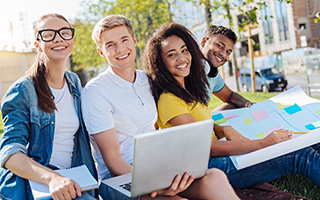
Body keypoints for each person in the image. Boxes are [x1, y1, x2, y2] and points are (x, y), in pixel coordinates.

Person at [144, 22, 320, 190]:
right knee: (298, 153)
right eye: (171, 54)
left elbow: (204, 123)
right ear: (160, 62)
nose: (181, 58)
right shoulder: (169, 100)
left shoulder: (189, 89)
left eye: (184, 50)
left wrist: (223, 129)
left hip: (218, 153)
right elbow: (208, 147)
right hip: (210, 167)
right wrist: (264, 143)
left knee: (303, 139)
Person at [81, 15, 240, 200]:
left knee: (215, 177)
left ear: (134, 41)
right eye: (110, 44)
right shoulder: (95, 92)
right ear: (101, 52)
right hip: (120, 179)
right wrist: (154, 184)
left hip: (159, 167)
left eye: (124, 40)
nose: (120, 48)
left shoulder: (148, 80)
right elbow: (113, 160)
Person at [0, 14, 97, 200]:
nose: (58, 38)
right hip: (39, 185)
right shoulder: (23, 90)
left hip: (73, 179)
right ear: (37, 44)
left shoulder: (73, 82)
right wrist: (53, 179)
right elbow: (10, 153)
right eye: (48, 34)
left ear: (73, 39)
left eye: (64, 32)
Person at [200, 25, 253, 110]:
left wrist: (249, 105)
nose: (224, 55)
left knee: (233, 106)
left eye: (228, 52)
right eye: (220, 46)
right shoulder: (184, 67)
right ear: (204, 42)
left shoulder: (212, 73)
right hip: (188, 121)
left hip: (202, 119)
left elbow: (230, 96)